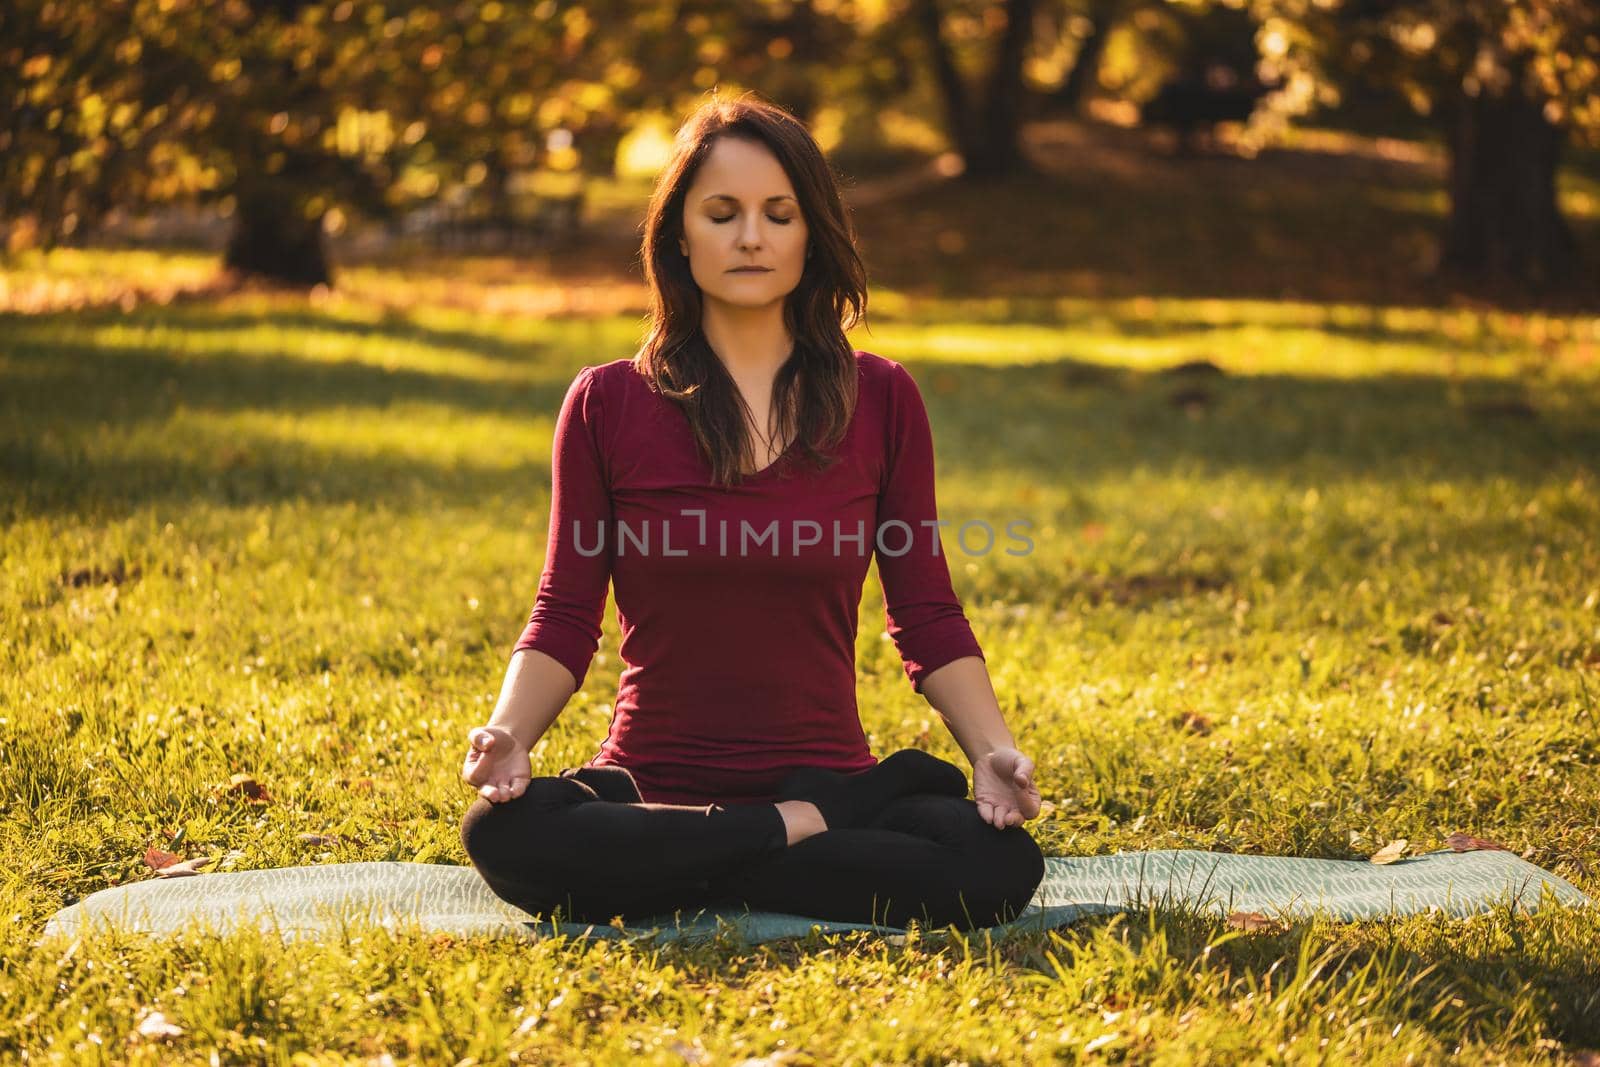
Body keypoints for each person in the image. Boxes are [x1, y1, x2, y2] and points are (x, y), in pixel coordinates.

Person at [458, 91, 1045, 932]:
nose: (750, 237)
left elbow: (926, 614)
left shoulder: (880, 398)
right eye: (722, 212)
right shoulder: (607, 403)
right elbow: (563, 613)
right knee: (506, 834)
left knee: (997, 864)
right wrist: (510, 731)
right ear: (679, 233)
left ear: (812, 233)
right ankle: (793, 839)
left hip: (825, 774)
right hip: (649, 787)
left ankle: (702, 865)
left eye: (779, 213)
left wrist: (991, 750)